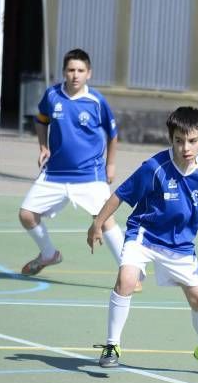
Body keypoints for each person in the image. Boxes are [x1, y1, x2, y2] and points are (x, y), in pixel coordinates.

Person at [87, 106, 198, 375]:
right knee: (126, 280)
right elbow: (120, 195)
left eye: (192, 141)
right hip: (145, 235)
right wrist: (97, 223)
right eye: (178, 140)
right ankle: (112, 345)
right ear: (171, 139)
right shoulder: (155, 168)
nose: (185, 147)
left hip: (181, 245)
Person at [19, 48, 126, 276]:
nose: (75, 75)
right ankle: (49, 254)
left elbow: (113, 134)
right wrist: (43, 146)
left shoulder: (96, 101)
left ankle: (129, 271)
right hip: (54, 174)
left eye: (80, 70)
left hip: (90, 174)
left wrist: (111, 164)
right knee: (27, 214)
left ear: (89, 73)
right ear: (63, 73)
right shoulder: (52, 96)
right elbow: (41, 120)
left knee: (105, 219)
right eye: (70, 70)